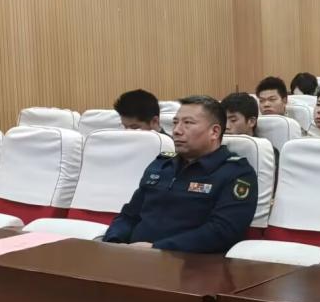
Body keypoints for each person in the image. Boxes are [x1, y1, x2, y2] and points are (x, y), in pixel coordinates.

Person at [104, 96, 258, 253]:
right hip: (135, 256)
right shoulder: (161, 165)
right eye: (175, 123)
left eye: (188, 123)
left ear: (214, 131)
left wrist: (158, 248)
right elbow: (129, 215)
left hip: (191, 262)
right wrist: (114, 241)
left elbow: (222, 231)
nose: (177, 131)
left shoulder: (236, 173)